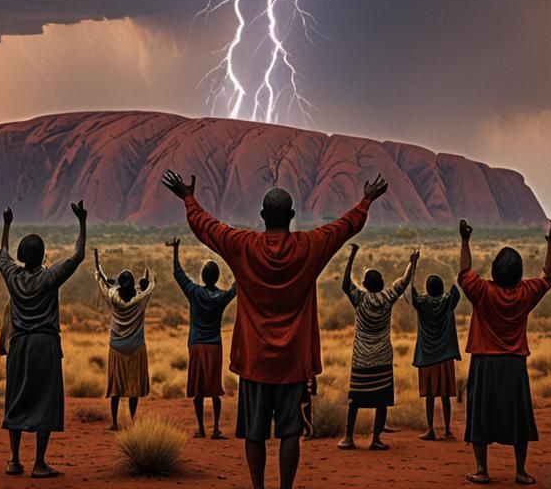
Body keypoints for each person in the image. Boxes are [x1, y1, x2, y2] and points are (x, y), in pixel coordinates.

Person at [162, 167, 389, 489]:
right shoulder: (310, 245)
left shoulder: (243, 245)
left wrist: (188, 198)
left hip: (255, 361)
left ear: (262, 215)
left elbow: (207, 228)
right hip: (293, 362)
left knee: (254, 433)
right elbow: (345, 227)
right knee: (290, 432)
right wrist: (366, 200)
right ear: (292, 215)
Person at [458, 217, 551, 486]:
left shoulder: (482, 292)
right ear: (519, 273)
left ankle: (481, 469)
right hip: (514, 364)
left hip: (485, 363)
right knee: (518, 416)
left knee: (480, 415)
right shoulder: (526, 292)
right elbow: (548, 276)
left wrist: (465, 239)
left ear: (494, 270)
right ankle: (521, 471)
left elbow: (464, 271)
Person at [0, 200, 87, 478]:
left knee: (16, 397)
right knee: (45, 400)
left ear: (22, 256)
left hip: (19, 345)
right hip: (45, 345)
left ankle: (14, 460)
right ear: (42, 255)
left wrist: (6, 225)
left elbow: (1, 253)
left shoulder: (12, 276)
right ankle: (39, 464)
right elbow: (78, 255)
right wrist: (82, 222)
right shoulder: (50, 277)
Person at [338, 243, 417, 451]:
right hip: (382, 357)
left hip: (361, 358)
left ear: (365, 284)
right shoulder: (387, 298)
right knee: (381, 400)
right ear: (381, 284)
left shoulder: (360, 299)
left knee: (355, 399)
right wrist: (412, 262)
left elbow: (345, 284)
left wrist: (352, 255)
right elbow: (404, 281)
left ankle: (348, 437)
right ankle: (376, 439)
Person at [167, 236, 237, 438]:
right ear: (216, 278)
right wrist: (236, 260)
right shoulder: (222, 297)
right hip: (214, 346)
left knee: (198, 389)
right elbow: (236, 287)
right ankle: (216, 429)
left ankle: (201, 429)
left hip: (196, 345)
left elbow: (178, 274)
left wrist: (175, 251)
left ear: (203, 277)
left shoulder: (195, 292)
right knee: (215, 389)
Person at [95, 248, 154, 430]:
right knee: (133, 387)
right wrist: (147, 276)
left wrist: (97, 265)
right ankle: (132, 421)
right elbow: (150, 285)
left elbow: (103, 284)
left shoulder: (113, 297)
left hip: (117, 346)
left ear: (119, 285)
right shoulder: (141, 298)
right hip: (136, 347)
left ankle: (114, 423)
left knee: (116, 387)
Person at [411, 263, 461, 441]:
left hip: (426, 357)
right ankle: (447, 430)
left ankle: (430, 429)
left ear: (428, 289)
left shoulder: (421, 304)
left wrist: (414, 265)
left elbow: (410, 292)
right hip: (445, 356)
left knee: (430, 397)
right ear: (441, 289)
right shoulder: (448, 302)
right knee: (446, 396)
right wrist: (455, 271)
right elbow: (457, 289)